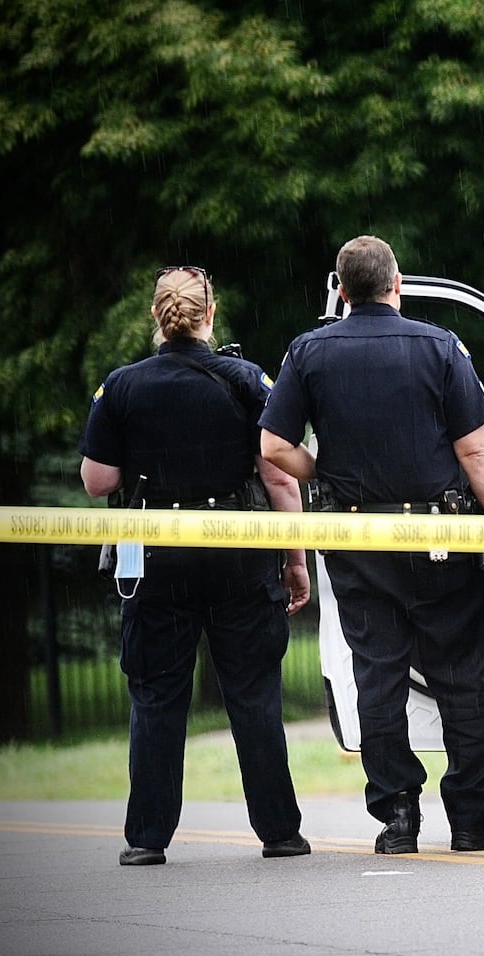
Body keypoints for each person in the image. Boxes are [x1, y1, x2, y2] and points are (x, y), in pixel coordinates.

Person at [259, 235, 484, 855]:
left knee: (377, 676)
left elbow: (272, 447)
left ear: (343, 290)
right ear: (396, 284)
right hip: (440, 536)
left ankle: (398, 816)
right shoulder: (439, 347)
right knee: (462, 676)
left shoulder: (309, 351)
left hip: (356, 538)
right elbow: (476, 451)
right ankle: (471, 818)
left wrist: (323, 472)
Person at [78, 265, 311, 867]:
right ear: (210, 316)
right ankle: (279, 831)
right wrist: (296, 561)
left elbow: (96, 479)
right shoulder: (247, 379)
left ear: (156, 318)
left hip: (157, 557)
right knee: (254, 693)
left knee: (157, 695)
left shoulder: (121, 386)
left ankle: (147, 838)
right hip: (239, 553)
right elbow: (281, 478)